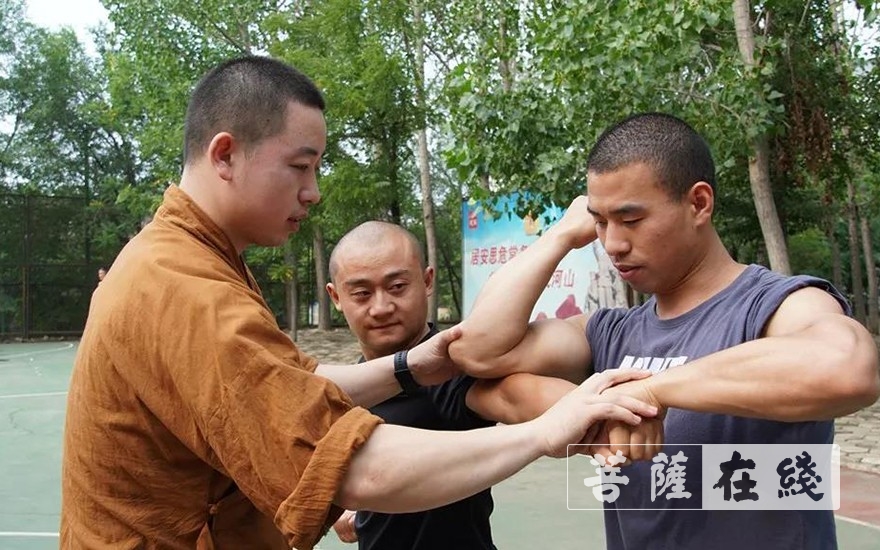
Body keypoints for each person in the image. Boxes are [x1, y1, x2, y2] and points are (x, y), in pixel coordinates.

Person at [60, 56, 659, 550]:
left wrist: (409, 367)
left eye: (398, 286)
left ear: (427, 282)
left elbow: (292, 386)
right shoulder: (182, 284)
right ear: (224, 155)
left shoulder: (188, 260)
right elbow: (354, 466)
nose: (313, 192)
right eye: (300, 167)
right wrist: (545, 432)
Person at [450, 113, 880, 550]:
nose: (613, 244)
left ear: (699, 204)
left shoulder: (773, 305)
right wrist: (558, 236)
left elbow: (847, 368)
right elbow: (478, 351)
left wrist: (649, 391)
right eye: (600, 222)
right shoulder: (611, 331)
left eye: (631, 219)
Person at [327, 221, 498, 549]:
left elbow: (516, 398)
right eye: (362, 294)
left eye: (397, 287)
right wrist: (347, 505)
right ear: (336, 296)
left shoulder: (452, 371)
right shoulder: (350, 386)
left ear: (427, 280)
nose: (381, 308)